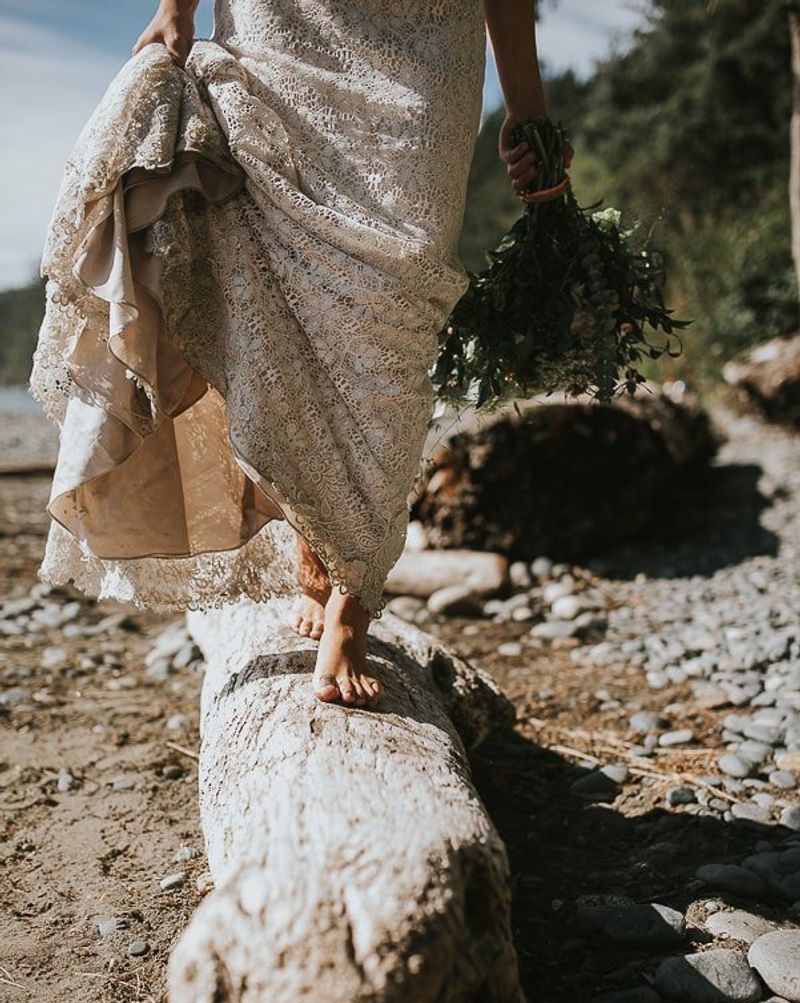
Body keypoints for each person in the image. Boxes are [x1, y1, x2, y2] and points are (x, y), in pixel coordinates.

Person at [33, 0, 549, 709]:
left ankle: (353, 588)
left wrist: (527, 109)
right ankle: (326, 556)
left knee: (397, 302)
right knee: (265, 285)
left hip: (430, 47)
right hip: (285, 23)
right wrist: (174, 7)